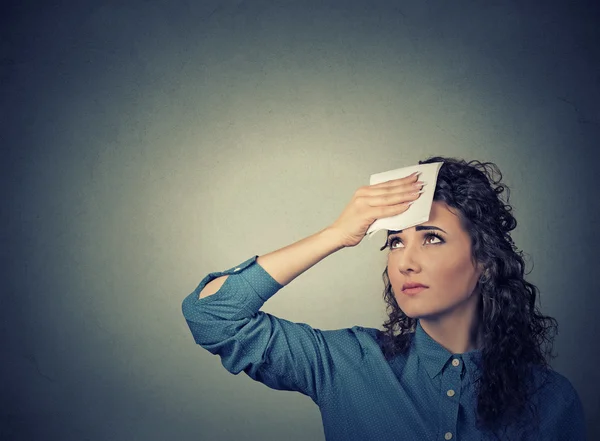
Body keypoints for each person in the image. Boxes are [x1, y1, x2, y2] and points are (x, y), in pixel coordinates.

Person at [181, 156, 586, 441]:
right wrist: (335, 235)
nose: (406, 262)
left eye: (431, 238)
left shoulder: (552, 400)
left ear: (485, 261)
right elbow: (212, 314)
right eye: (395, 243)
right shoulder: (345, 364)